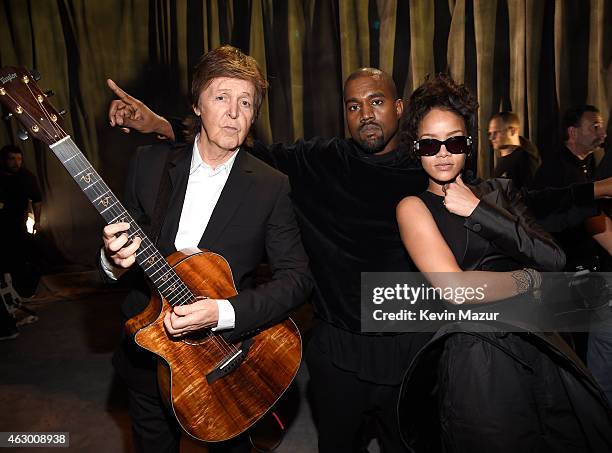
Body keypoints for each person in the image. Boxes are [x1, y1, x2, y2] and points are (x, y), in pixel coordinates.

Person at [106, 68, 612, 452]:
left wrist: (596, 191)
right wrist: (163, 124)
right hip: (338, 350)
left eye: (376, 102)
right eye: (353, 106)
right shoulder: (319, 162)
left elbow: (528, 206)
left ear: (399, 108)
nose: (365, 114)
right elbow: (234, 142)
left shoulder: (430, 164)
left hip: (411, 345)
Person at [100, 45, 313, 453]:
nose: (234, 113)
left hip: (227, 361)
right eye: (221, 98)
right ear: (196, 105)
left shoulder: (271, 185)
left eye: (246, 102)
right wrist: (112, 259)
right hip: (151, 354)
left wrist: (222, 312)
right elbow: (120, 251)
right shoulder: (150, 164)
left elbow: (297, 279)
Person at [395, 73, 612, 453]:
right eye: (430, 144)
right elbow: (456, 289)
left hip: (541, 345)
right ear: (416, 148)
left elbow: (554, 258)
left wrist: (479, 210)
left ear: (470, 143)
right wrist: (526, 281)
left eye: (454, 142)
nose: (443, 153)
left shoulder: (500, 192)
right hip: (479, 356)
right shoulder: (414, 207)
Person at [0, 144, 42, 340]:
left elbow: (37, 200)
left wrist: (38, 222)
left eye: (19, 159)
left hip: (18, 226)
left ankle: (21, 293)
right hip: (1, 226)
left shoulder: (27, 177)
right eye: (11, 159)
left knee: (21, 260)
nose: (16, 163)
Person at [488, 111, 540, 189]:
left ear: (512, 131)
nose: (491, 138)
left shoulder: (525, 160)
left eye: (496, 132)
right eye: (490, 133)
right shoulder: (502, 160)